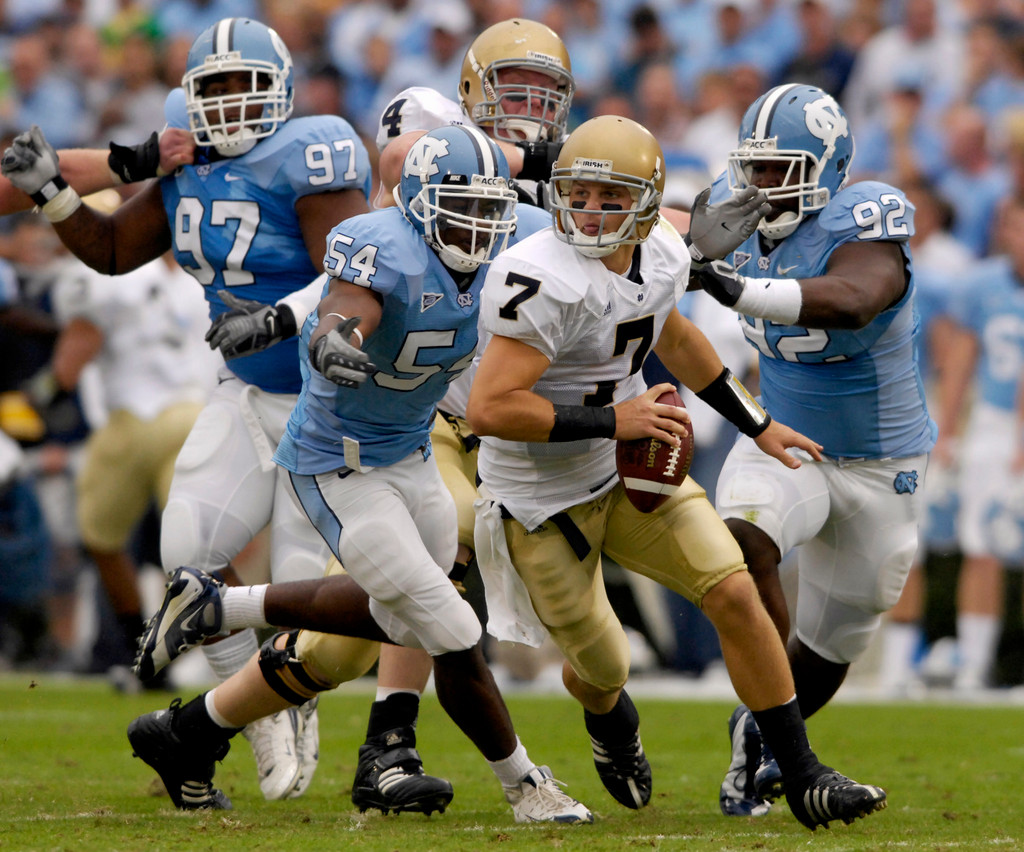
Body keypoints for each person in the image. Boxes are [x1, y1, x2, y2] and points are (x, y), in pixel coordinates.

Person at [127, 124, 593, 824]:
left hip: (410, 454)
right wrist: (334, 339)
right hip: (340, 466)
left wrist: (691, 233)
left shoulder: (513, 236)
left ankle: (203, 672)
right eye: (461, 206)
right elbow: (345, 303)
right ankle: (526, 787)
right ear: (420, 202)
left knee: (399, 614)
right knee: (451, 626)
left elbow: (595, 229)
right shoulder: (385, 244)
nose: (479, 224)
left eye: (491, 208)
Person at [463, 113, 886, 828]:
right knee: (603, 667)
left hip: (630, 471)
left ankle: (801, 768)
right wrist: (614, 419)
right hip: (540, 496)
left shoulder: (661, 251)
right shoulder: (537, 274)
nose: (591, 212)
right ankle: (610, 719)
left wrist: (758, 422)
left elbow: (679, 339)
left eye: (612, 197)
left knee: (733, 590)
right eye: (579, 194)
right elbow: (490, 408)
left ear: (650, 205)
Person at [1, 17, 372, 802]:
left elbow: (352, 275)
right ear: (191, 99)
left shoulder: (311, 154)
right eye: (216, 88)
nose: (232, 104)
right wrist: (52, 192)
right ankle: (261, 714)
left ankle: (289, 695)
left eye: (248, 86)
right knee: (187, 553)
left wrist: (276, 318)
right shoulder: (183, 158)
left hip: (331, 403)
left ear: (282, 92)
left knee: (306, 594)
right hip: (245, 394)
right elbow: (109, 249)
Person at [692, 83, 933, 817]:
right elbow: (661, 233)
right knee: (744, 543)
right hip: (784, 440)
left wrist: (738, 288)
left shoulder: (866, 216)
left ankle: (758, 735)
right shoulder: (729, 219)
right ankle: (792, 754)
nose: (764, 185)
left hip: (881, 461)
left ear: (829, 164)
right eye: (755, 168)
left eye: (782, 167)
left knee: (837, 638)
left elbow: (856, 297)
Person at [49, 233, 220, 689]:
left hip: (131, 421)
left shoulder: (102, 276)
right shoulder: (191, 278)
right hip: (193, 416)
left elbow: (72, 358)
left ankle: (136, 648)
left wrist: (40, 395)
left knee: (100, 536)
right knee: (201, 546)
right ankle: (235, 650)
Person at [933, 192, 1024, 691]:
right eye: (1014, 227)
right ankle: (974, 664)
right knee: (981, 543)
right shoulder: (982, 285)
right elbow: (961, 361)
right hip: (992, 421)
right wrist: (949, 431)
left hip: (1016, 425)